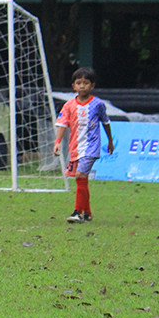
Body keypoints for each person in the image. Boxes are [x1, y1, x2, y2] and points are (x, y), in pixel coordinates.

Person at [53, 67, 114, 223]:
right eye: (79, 83)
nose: (82, 86)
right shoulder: (68, 106)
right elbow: (62, 124)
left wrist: (110, 141)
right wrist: (58, 142)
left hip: (91, 147)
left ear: (92, 86)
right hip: (75, 147)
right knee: (81, 178)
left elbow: (106, 122)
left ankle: (77, 212)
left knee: (80, 175)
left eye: (86, 83)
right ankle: (87, 212)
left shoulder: (98, 104)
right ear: (73, 86)